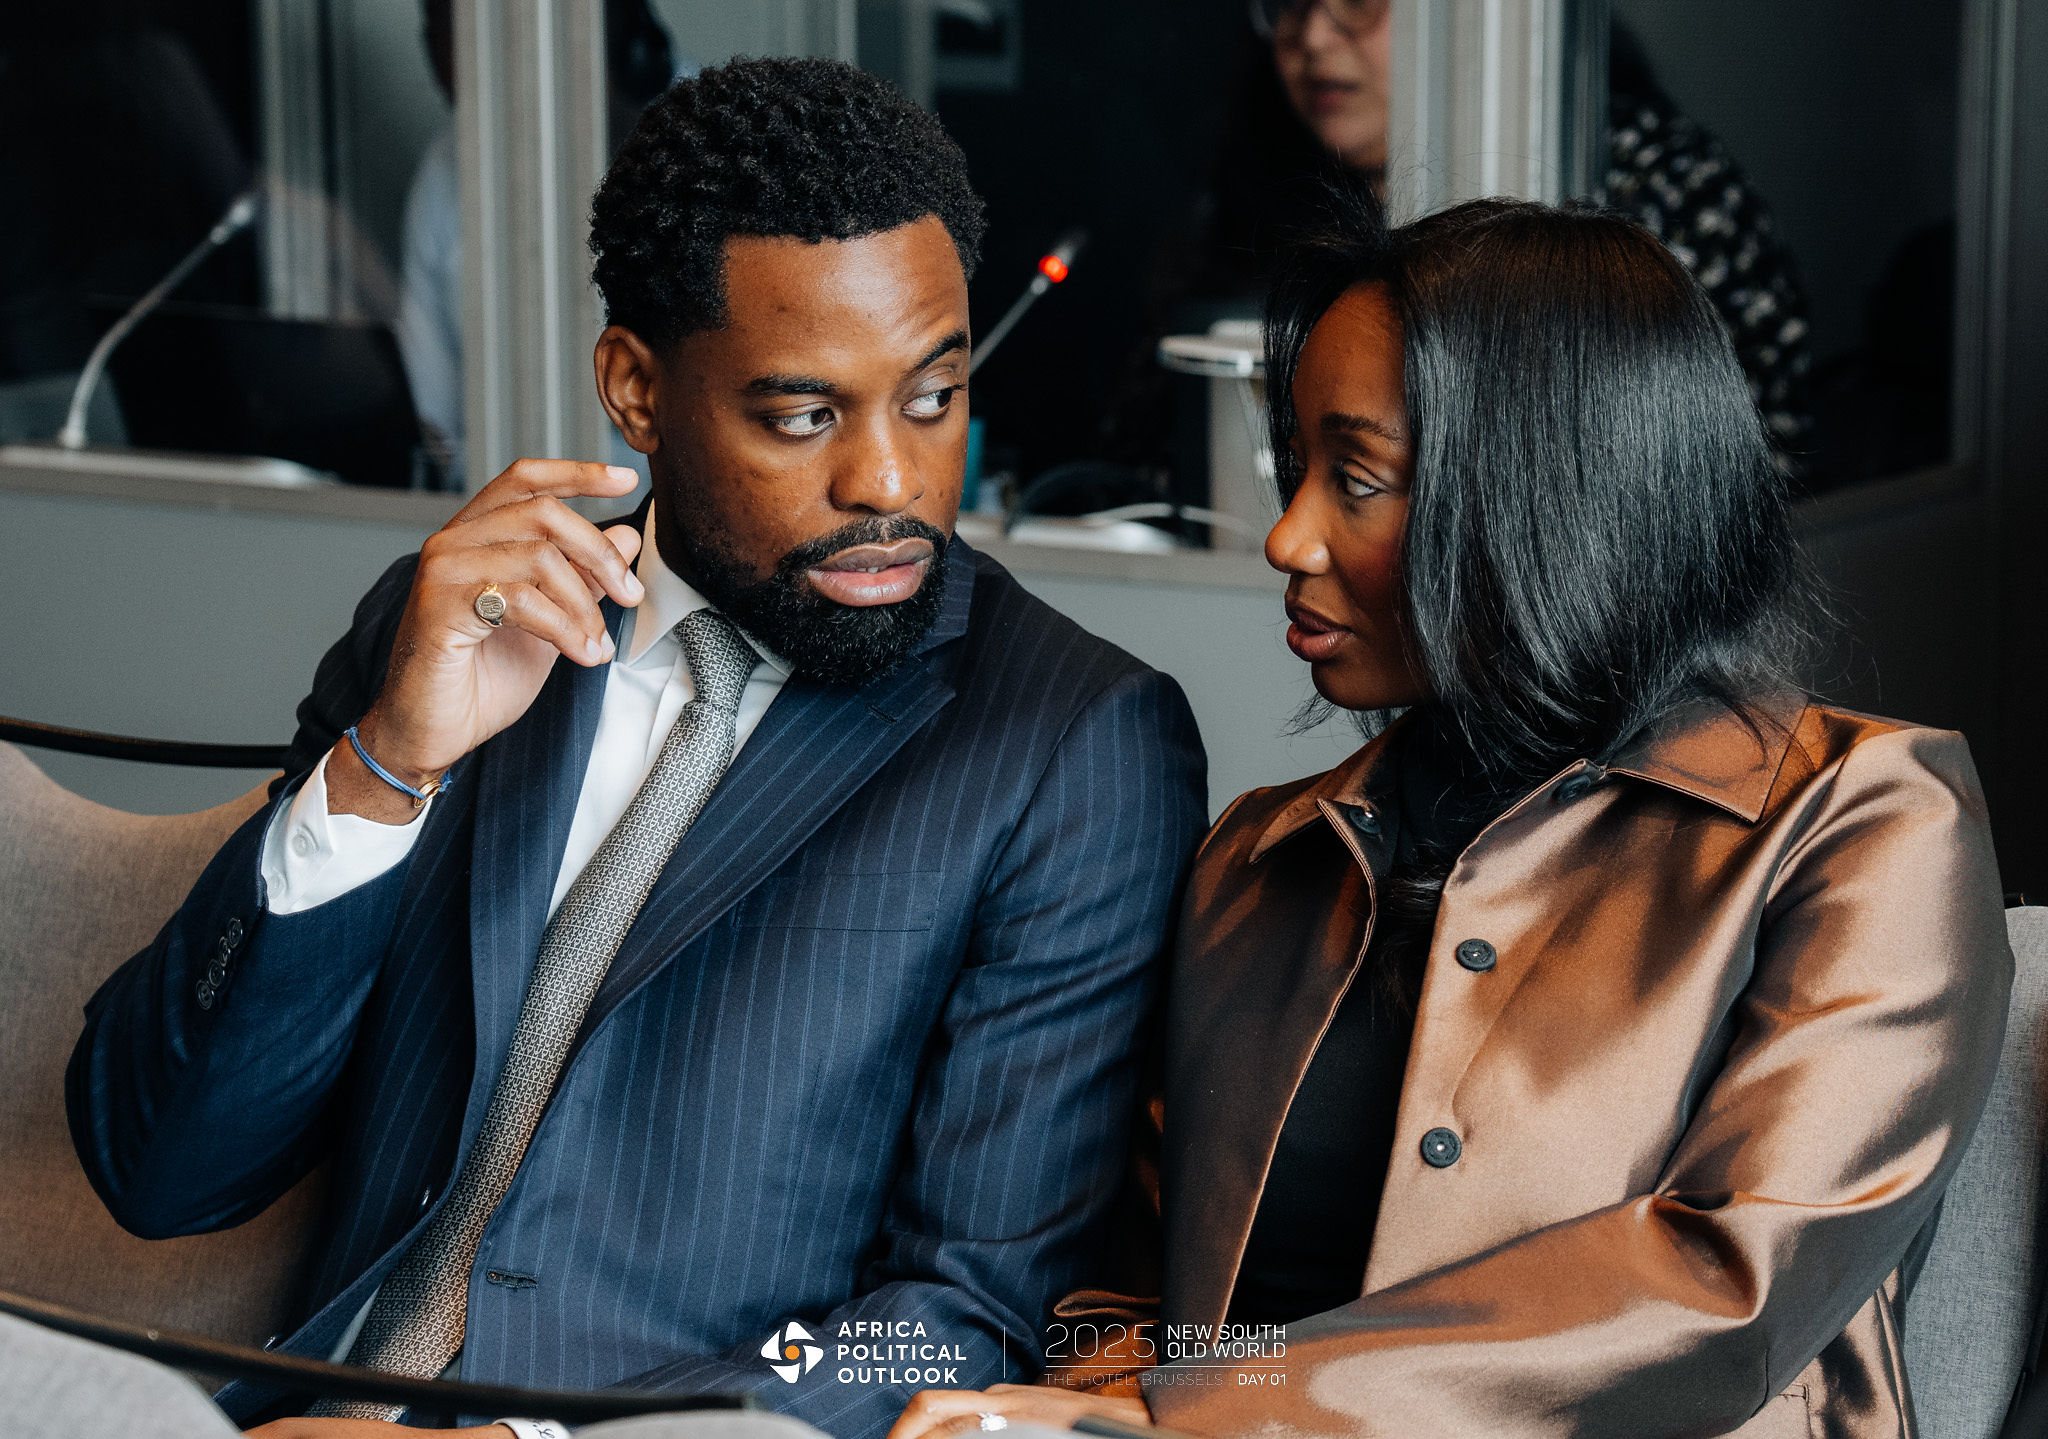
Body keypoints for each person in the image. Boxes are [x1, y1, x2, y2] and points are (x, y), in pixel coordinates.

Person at [67, 57, 1208, 1439]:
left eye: (933, 396)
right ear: (634, 388)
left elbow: (957, 1309)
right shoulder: (458, 629)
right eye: (802, 415)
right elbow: (160, 1166)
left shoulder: (1069, 743)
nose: (892, 482)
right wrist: (386, 764)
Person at [889, 191, 2011, 1438]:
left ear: (1552, 493)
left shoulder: (1863, 820)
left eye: (1357, 480)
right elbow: (1144, 1298)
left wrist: (1192, 1418)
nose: (1286, 536)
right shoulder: (1258, 861)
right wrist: (1067, 1407)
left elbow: (1723, 1285)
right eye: (1295, 468)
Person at [1114, 3, 1813, 478]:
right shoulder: (1245, 204)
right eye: (1291, 3)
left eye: (1359, 0)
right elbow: (1141, 456)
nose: (1316, 38)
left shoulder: (1652, 188)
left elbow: (1736, 480)